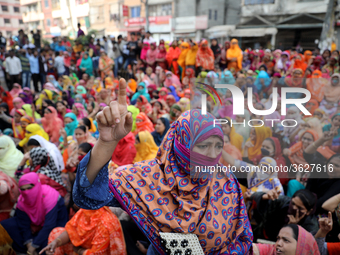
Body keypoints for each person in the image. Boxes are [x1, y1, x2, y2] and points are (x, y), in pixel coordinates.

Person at [72, 79, 253, 255]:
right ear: (181, 144)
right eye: (204, 146)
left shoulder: (225, 182)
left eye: (218, 146)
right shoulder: (147, 178)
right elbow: (89, 195)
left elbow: (242, 237)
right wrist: (106, 143)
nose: (213, 155)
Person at [0, 172, 68, 255]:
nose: (27, 192)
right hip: (34, 226)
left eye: (30, 188)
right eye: (23, 189)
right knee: (6, 225)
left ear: (37, 185)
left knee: (48, 246)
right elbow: (23, 224)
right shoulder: (22, 200)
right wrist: (29, 243)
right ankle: (25, 250)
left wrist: (34, 245)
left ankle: (35, 249)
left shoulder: (50, 196)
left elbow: (50, 224)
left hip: (53, 227)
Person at [41, 206, 126, 255]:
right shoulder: (86, 209)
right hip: (81, 248)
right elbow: (71, 230)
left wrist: (79, 251)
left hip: (93, 252)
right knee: (57, 233)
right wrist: (56, 242)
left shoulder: (106, 223)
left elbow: (95, 254)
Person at [253, 224, 320, 255]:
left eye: (286, 240)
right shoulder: (272, 251)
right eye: (278, 239)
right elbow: (250, 248)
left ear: (301, 247)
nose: (278, 244)